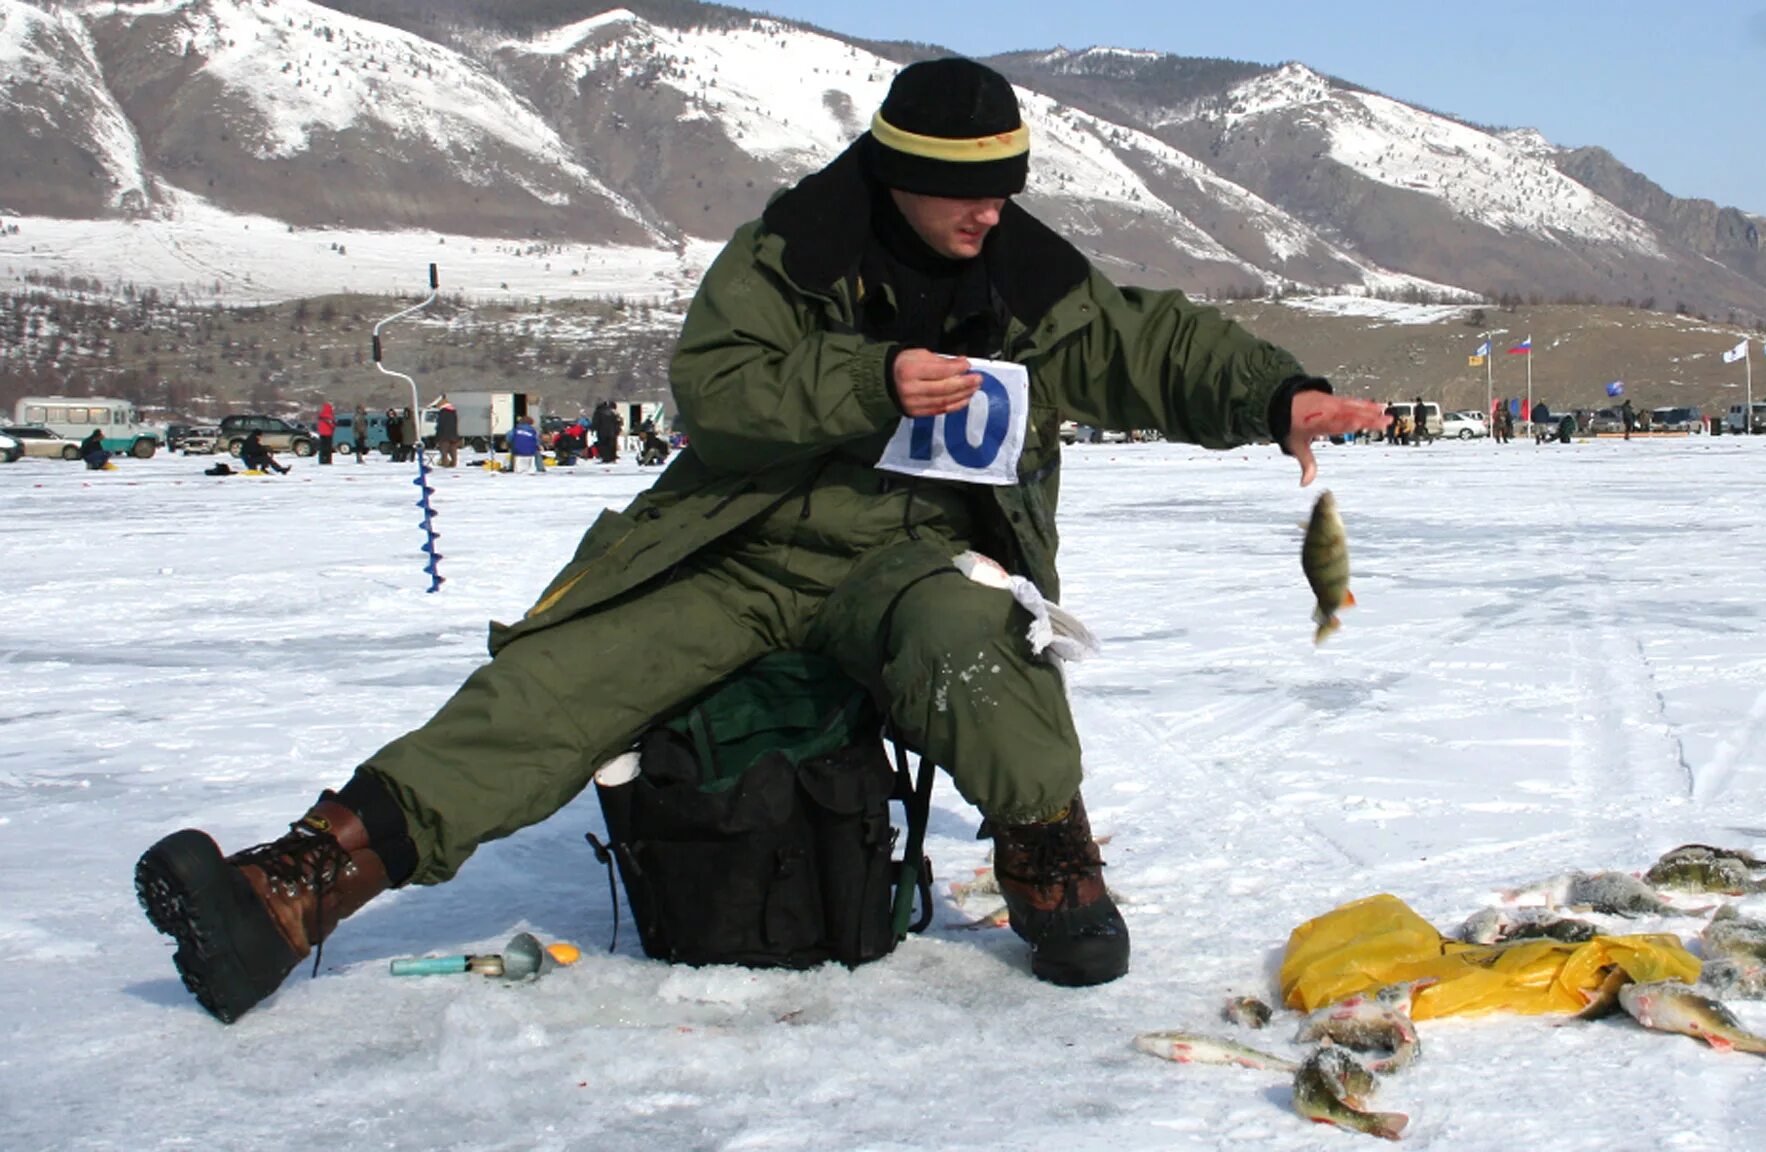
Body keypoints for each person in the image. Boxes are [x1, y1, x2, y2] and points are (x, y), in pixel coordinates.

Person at [133, 57, 1389, 1023]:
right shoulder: (789, 254)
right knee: (557, 679)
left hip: (914, 559)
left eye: (1004, 189)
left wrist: (1278, 397)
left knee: (977, 640)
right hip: (743, 542)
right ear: (896, 174)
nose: (986, 214)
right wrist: (872, 382)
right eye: (963, 191)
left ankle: (1046, 856)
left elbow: (1150, 345)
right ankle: (297, 888)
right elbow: (718, 388)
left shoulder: (1026, 275)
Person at [435, 403, 460, 467]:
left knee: (444, 452)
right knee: (453, 452)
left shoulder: (442, 413)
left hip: (444, 436)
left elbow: (440, 425)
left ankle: (445, 463)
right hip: (454, 435)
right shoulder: (455, 413)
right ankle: (454, 463)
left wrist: (437, 437)